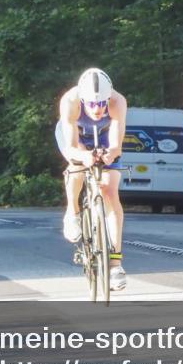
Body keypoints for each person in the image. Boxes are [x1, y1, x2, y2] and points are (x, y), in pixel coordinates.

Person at [56, 68, 128, 291]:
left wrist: (110, 154)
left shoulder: (118, 102)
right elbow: (71, 146)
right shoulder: (70, 101)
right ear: (83, 100)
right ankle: (73, 212)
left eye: (101, 104)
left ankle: (115, 264)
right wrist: (84, 155)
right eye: (92, 105)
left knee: (109, 188)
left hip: (105, 135)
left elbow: (116, 144)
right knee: (76, 167)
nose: (97, 109)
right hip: (76, 136)